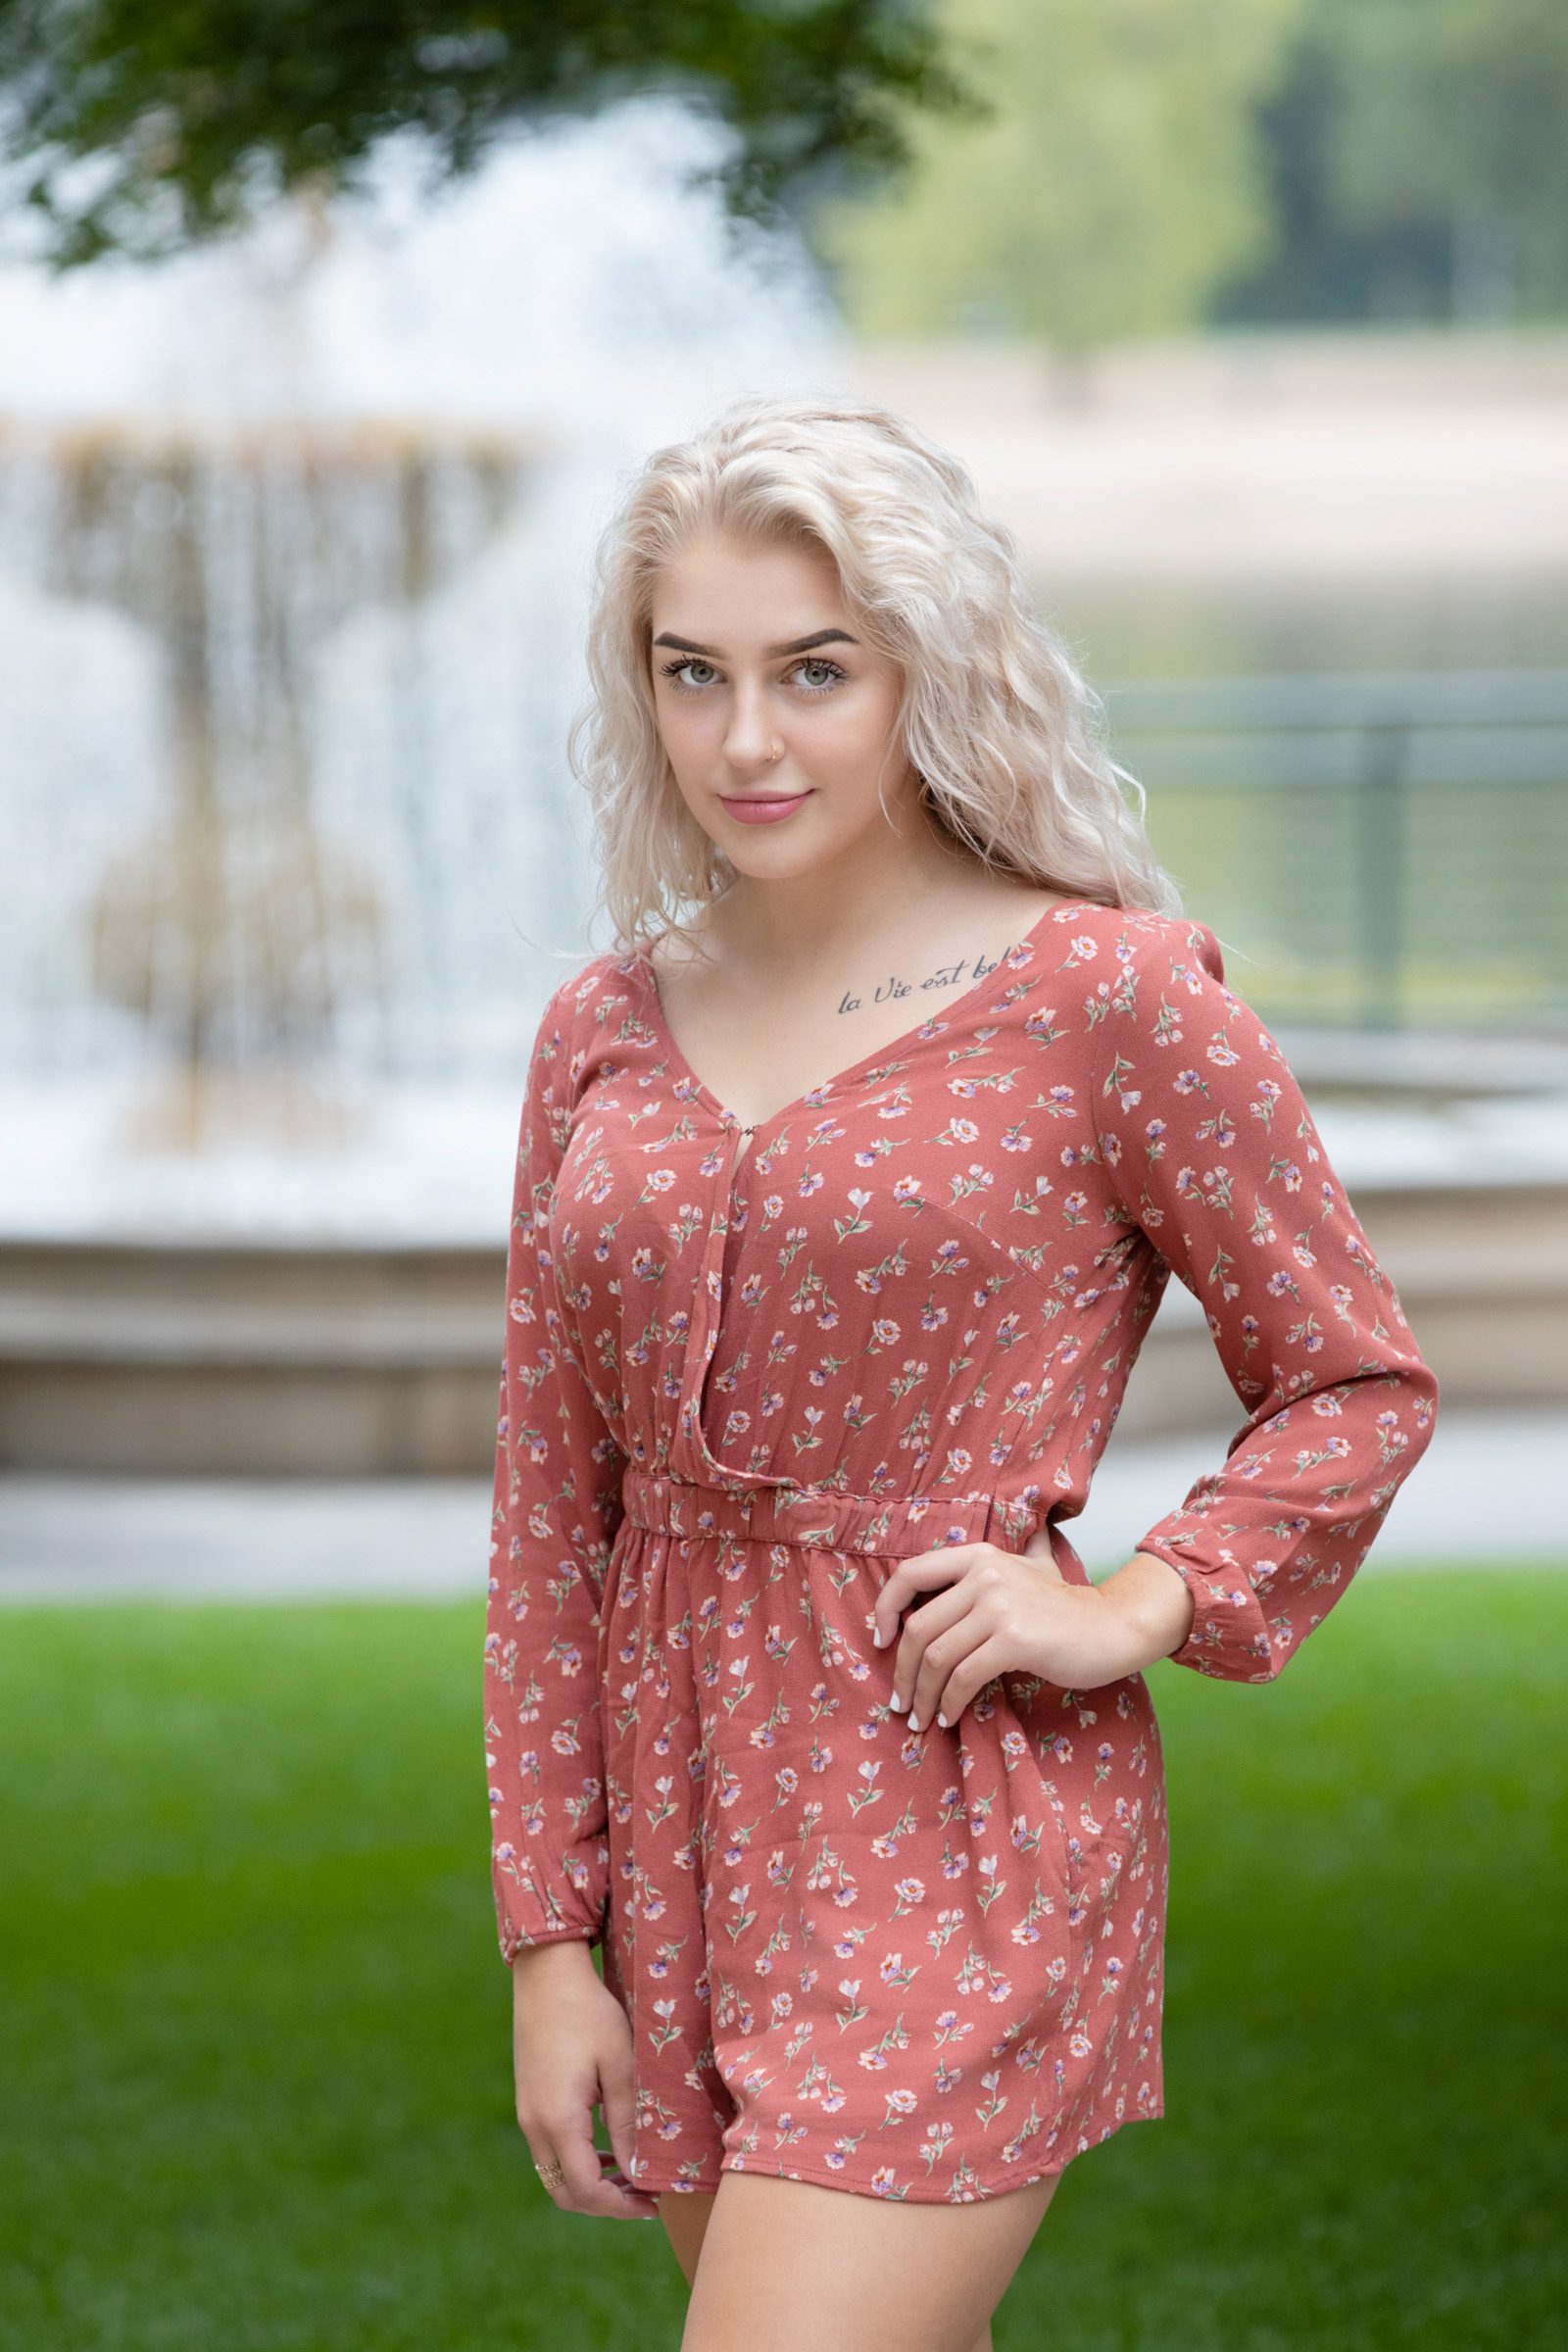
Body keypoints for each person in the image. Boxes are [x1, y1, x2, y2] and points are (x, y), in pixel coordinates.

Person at [483, 398, 1437, 2352]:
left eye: (814, 672)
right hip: (678, 1835)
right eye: (692, 673)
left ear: (925, 668)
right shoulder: (600, 1026)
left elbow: (1352, 1376)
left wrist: (1140, 1602)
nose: (746, 741)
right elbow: (549, 1516)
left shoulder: (1105, 999)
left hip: (950, 1809)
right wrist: (547, 1941)